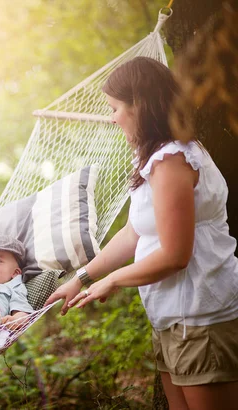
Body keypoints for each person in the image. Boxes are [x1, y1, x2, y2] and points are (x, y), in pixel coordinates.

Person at [45, 56, 238, 409]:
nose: (112, 117)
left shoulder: (174, 161)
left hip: (200, 318)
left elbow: (176, 256)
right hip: (171, 317)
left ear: (140, 106)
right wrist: (82, 278)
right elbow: (133, 233)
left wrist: (113, 281)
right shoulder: (153, 160)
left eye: (116, 108)